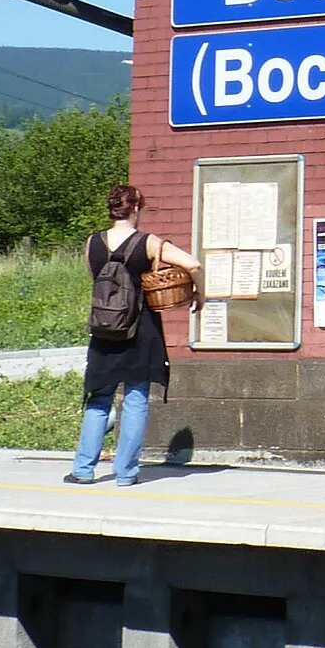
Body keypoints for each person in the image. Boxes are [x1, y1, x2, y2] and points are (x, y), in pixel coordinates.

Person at [71, 184, 200, 486]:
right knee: (135, 399)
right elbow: (193, 264)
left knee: (99, 399)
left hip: (103, 331)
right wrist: (199, 294)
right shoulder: (148, 242)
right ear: (136, 208)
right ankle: (126, 473)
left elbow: (97, 280)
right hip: (140, 329)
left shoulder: (92, 243)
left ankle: (83, 469)